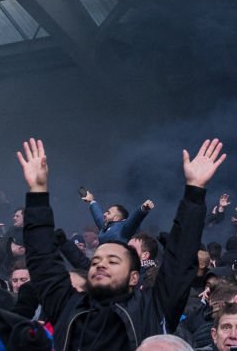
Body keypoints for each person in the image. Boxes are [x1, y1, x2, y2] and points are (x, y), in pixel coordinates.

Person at [18, 137, 223, 351]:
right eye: (95, 260)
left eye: (113, 261)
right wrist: (38, 191)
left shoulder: (152, 309)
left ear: (134, 276)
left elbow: (180, 260)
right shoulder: (68, 305)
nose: (100, 264)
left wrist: (195, 191)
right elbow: (42, 260)